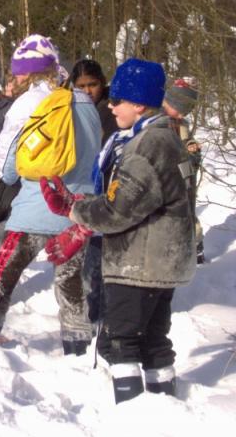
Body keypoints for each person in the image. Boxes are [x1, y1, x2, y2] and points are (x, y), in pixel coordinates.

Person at [40, 58, 196, 402]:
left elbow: (119, 210)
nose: (109, 106)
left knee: (119, 339)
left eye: (117, 100)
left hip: (137, 264)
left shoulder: (145, 147)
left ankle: (130, 411)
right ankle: (163, 405)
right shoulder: (162, 139)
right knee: (154, 340)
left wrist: (73, 209)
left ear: (138, 103)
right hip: (159, 262)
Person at [0, 34, 101, 356]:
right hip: (77, 213)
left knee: (3, 271)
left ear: (29, 73)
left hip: (34, 207)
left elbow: (9, 167)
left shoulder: (28, 105)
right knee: (71, 283)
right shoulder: (86, 104)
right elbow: (95, 158)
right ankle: (77, 345)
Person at [68, 58, 119, 323]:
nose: (88, 90)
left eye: (93, 84)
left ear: (103, 83)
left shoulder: (111, 109)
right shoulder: (74, 107)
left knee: (98, 254)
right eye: (82, 86)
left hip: (107, 187)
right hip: (83, 186)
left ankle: (98, 314)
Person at [162, 77, 204, 263]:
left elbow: (187, 144)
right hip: (166, 182)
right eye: (179, 109)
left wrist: (192, 149)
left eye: (185, 112)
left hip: (184, 179)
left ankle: (195, 249)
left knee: (188, 214)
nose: (181, 115)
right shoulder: (157, 121)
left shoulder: (182, 124)